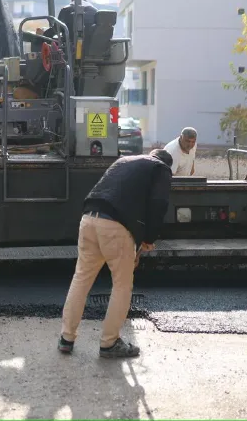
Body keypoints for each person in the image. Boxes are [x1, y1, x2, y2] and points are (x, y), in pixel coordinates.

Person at [58, 149, 174, 359]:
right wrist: (149, 239)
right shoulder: (161, 168)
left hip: (89, 218)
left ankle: (66, 339)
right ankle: (109, 343)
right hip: (115, 226)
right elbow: (158, 205)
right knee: (122, 285)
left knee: (81, 278)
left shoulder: (125, 161)